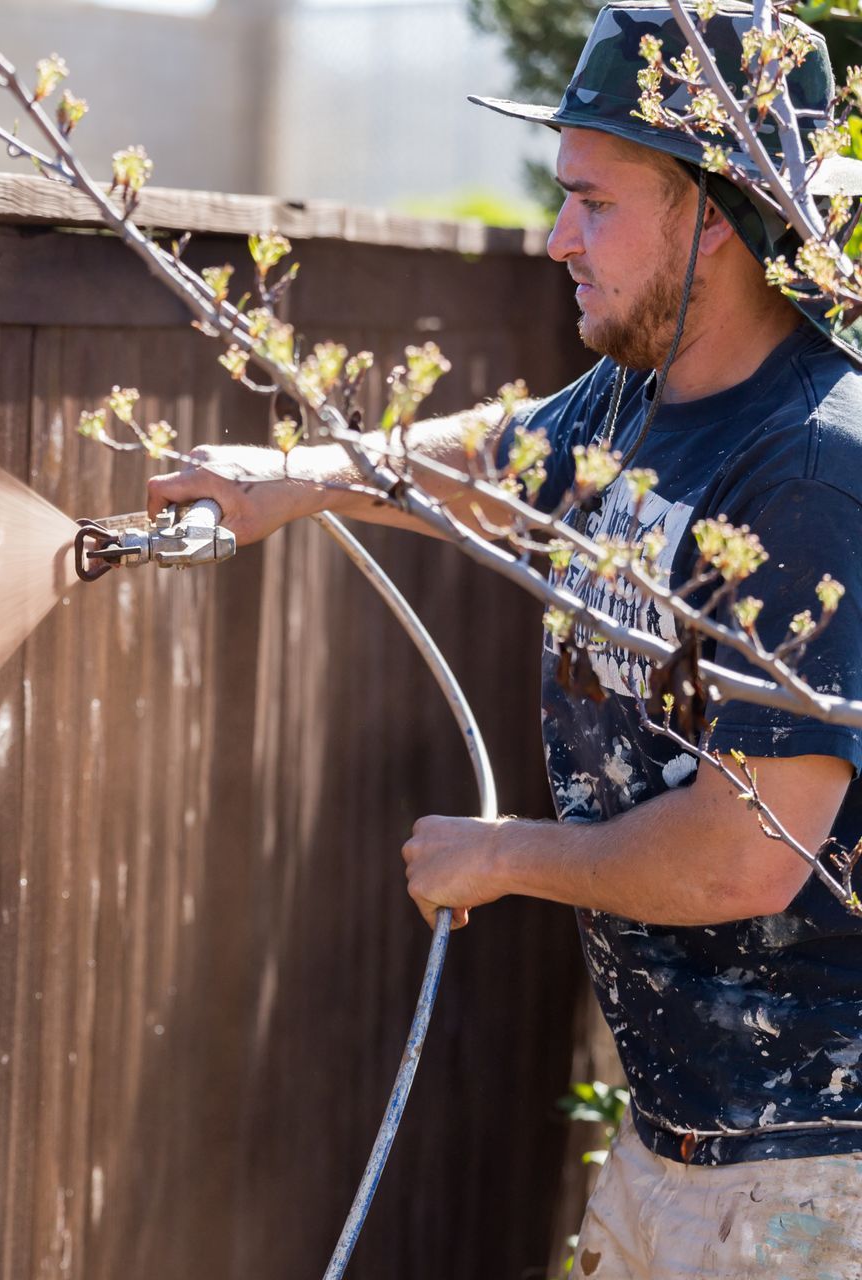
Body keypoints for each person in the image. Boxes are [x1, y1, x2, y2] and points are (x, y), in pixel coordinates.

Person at [148, 4, 862, 1274]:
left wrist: (506, 855)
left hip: (808, 1171)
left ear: (710, 212)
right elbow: (507, 462)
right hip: (685, 1145)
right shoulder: (648, 389)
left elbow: (746, 858)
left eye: (593, 202)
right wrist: (294, 476)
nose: (556, 238)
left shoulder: (811, 471)